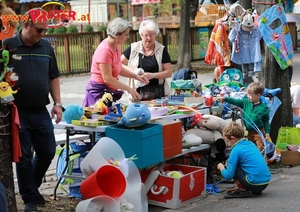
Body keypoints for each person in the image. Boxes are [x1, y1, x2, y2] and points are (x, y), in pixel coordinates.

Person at [3, 8, 63, 212]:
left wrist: (57, 103)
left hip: (40, 109)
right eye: (39, 30)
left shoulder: (46, 47)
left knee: (47, 151)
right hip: (17, 111)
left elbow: (54, 76)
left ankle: (32, 189)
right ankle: (29, 198)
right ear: (26, 25)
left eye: (45, 31)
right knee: (24, 157)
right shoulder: (8, 45)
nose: (42, 34)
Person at [82, 17, 148, 107]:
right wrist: (128, 89)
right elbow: (107, 79)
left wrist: (136, 76)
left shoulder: (116, 46)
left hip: (108, 93)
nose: (128, 37)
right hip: (99, 94)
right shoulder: (104, 51)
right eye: (126, 34)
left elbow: (118, 68)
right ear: (117, 34)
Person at [217, 122, 271, 198]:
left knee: (231, 164)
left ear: (233, 138)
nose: (228, 144)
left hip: (253, 184)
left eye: (227, 141)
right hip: (265, 182)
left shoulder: (236, 150)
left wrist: (221, 168)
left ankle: (243, 191)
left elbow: (229, 176)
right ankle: (257, 191)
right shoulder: (251, 144)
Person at [121, 19, 172, 99]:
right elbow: (119, 64)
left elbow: (169, 72)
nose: (149, 38)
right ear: (141, 35)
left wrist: (153, 75)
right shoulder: (133, 48)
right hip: (136, 94)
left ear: (156, 35)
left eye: (152, 35)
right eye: (146, 35)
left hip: (158, 94)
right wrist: (133, 70)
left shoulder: (161, 50)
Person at [216, 82, 270, 151]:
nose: (248, 96)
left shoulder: (264, 108)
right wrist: (225, 98)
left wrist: (267, 132)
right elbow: (235, 101)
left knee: (261, 149)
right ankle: (251, 161)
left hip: (258, 132)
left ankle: (262, 161)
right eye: (247, 94)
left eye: (250, 95)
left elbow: (266, 122)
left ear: (258, 95)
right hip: (249, 132)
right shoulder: (246, 102)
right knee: (251, 148)